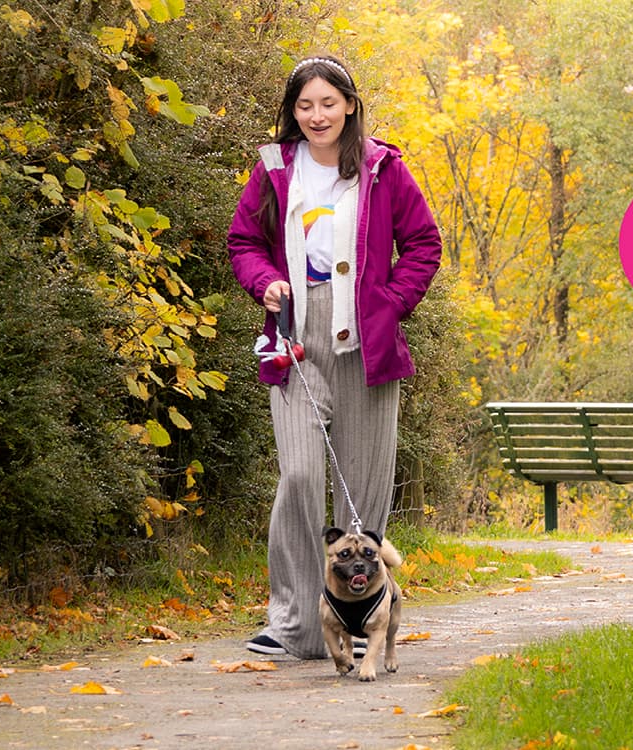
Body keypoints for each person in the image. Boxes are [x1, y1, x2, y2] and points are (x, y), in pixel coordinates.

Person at [226, 54, 442, 658]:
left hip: (366, 340)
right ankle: (294, 623)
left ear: (349, 104)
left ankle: (354, 621)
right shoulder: (273, 169)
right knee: (298, 475)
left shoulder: (382, 168)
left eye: (327, 103)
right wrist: (263, 280)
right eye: (304, 106)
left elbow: (423, 243)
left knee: (360, 496)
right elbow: (244, 241)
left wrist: (391, 303)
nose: (317, 116)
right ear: (292, 113)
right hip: (295, 337)